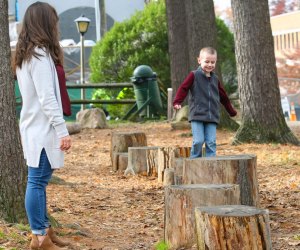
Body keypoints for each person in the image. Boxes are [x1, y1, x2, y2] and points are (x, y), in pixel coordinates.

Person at [14, 2, 71, 249]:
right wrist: (62, 130)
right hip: (41, 127)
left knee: (40, 179)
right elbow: (47, 98)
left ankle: (44, 229)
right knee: (36, 180)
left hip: (35, 125)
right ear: (45, 23)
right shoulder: (38, 55)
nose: (56, 26)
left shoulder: (30, 53)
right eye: (54, 21)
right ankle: (39, 236)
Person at [173, 47, 237, 158]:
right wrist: (177, 101)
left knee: (211, 142)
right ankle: (194, 163)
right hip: (197, 115)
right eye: (207, 61)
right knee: (198, 141)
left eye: (213, 62)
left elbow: (224, 97)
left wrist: (231, 111)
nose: (210, 64)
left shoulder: (215, 79)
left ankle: (210, 166)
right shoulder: (194, 75)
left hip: (212, 116)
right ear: (199, 60)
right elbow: (183, 88)